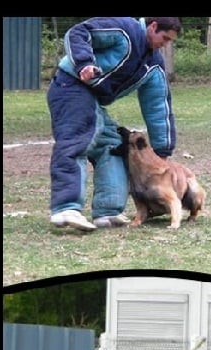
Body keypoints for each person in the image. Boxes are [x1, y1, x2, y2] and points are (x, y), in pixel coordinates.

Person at [47, 17, 182, 232]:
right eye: (164, 38)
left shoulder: (154, 64)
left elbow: (158, 105)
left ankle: (107, 211)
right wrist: (85, 63)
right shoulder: (124, 30)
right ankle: (66, 208)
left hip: (93, 99)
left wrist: (162, 150)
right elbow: (79, 32)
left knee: (113, 145)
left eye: (169, 41)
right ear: (153, 26)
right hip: (70, 86)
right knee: (77, 140)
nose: (165, 44)